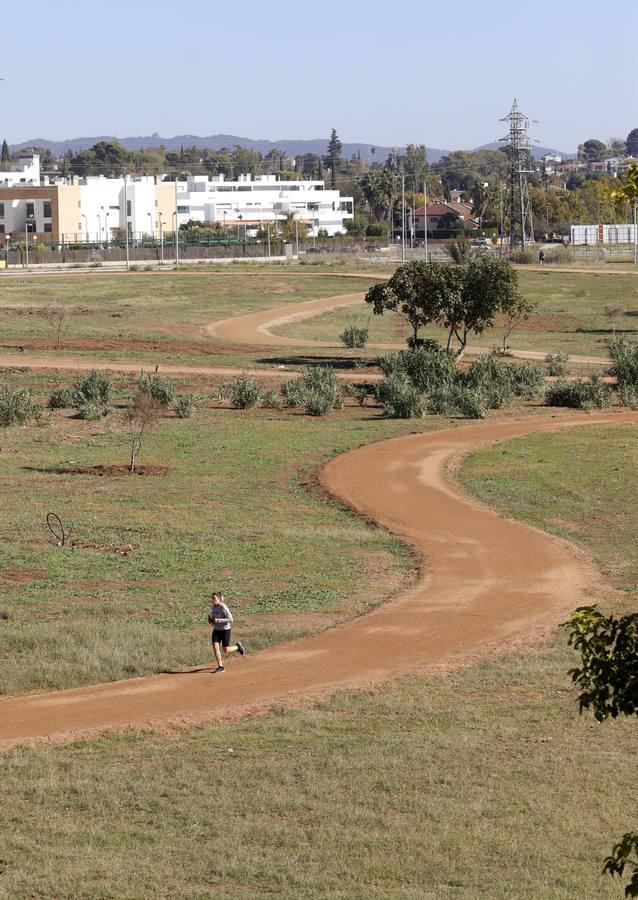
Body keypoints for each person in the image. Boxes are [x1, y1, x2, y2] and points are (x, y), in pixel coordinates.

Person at [208, 590, 245, 673]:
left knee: (226, 649)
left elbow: (231, 619)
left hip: (225, 630)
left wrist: (217, 620)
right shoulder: (213, 607)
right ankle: (220, 666)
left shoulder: (223, 607)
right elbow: (215, 618)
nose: (212, 600)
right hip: (216, 630)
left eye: (214, 598)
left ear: (219, 599)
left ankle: (237, 647)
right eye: (212, 598)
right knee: (215, 647)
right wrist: (212, 620)